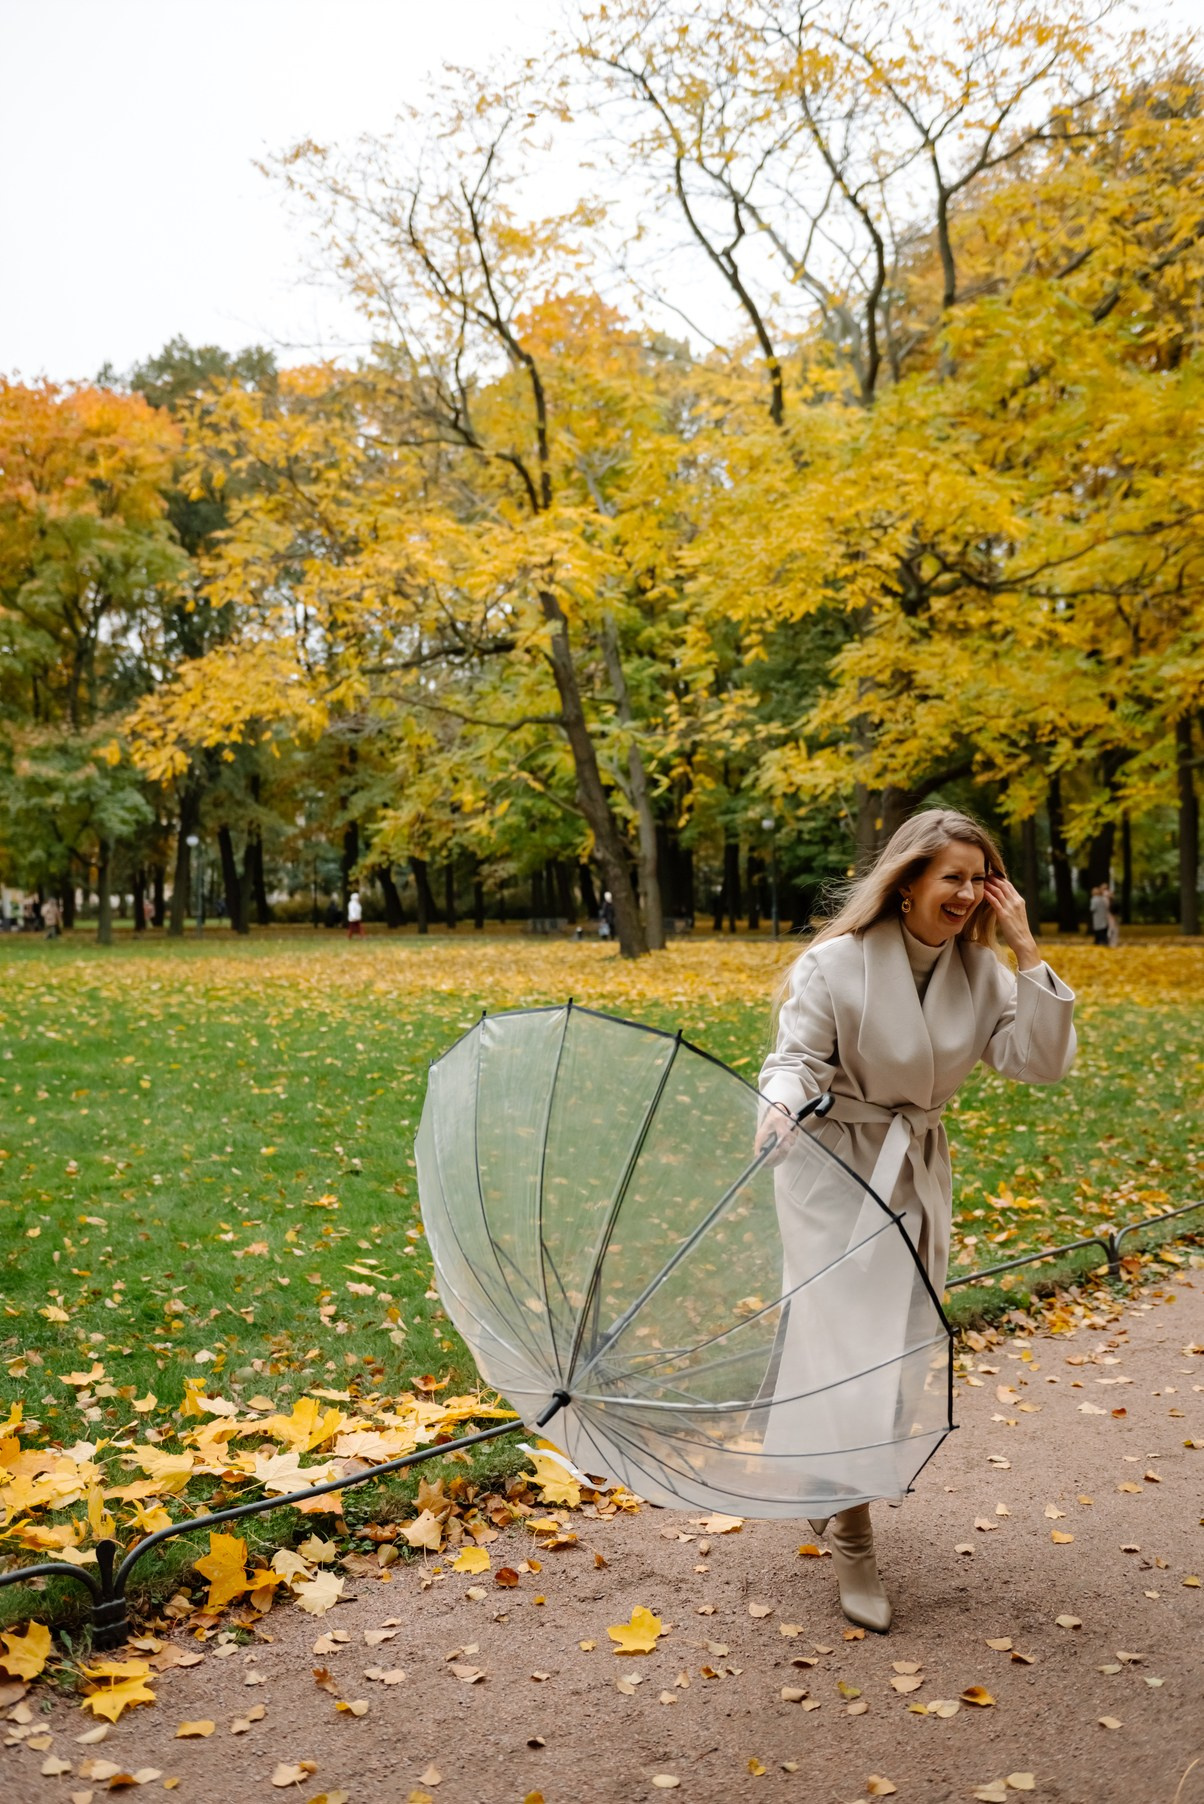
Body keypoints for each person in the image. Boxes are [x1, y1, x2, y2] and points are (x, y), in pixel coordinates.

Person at [756, 808, 1076, 1633]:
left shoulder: (986, 974)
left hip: (914, 1171)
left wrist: (1026, 949)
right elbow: (794, 1060)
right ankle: (854, 1539)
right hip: (832, 1170)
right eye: (951, 877)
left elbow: (1039, 1063)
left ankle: (828, 1475)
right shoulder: (836, 963)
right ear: (907, 885)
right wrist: (780, 1107)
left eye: (980, 878)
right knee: (846, 1350)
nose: (967, 893)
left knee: (899, 1352)